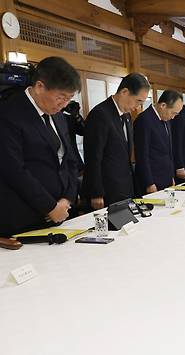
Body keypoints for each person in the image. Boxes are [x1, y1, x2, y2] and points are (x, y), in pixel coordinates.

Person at [0, 56, 80, 236]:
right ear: (39, 86)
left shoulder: (58, 114)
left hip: (62, 213)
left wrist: (67, 199)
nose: (64, 104)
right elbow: (13, 169)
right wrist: (50, 206)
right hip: (24, 218)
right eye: (61, 97)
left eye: (69, 98)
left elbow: (70, 160)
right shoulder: (9, 113)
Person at [82, 73, 150, 210]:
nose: (138, 107)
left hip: (124, 187)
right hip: (106, 190)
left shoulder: (127, 116)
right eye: (138, 101)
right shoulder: (100, 114)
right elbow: (93, 157)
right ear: (125, 92)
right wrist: (96, 192)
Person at [134, 90, 183, 194]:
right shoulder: (144, 119)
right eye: (173, 113)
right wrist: (149, 183)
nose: (173, 117)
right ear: (163, 105)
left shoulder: (166, 120)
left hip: (166, 179)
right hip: (153, 181)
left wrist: (171, 177)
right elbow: (142, 155)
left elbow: (168, 151)